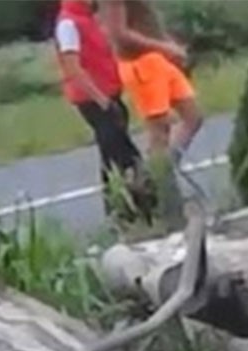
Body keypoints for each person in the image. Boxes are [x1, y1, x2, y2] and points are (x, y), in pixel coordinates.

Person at [53, 0, 143, 209]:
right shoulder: (69, 24)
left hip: (107, 94)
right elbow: (73, 69)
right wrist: (102, 100)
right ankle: (138, 202)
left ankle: (119, 209)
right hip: (94, 100)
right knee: (124, 155)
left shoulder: (86, 19)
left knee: (111, 155)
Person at [98, 0, 204, 167]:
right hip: (140, 64)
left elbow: (147, 22)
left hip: (157, 59)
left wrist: (170, 46)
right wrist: (164, 47)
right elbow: (119, 34)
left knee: (193, 116)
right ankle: (157, 180)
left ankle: (166, 167)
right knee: (159, 130)